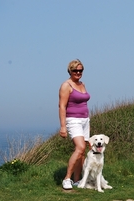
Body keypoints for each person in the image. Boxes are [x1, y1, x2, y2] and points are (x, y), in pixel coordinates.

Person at [59, 59, 91, 190]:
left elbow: (83, 102)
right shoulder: (66, 85)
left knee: (83, 152)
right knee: (80, 147)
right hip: (73, 120)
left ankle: (77, 180)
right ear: (70, 71)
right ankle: (67, 179)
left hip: (85, 120)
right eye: (75, 70)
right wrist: (63, 126)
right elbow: (62, 106)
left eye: (80, 70)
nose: (78, 73)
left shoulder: (82, 84)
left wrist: (87, 120)